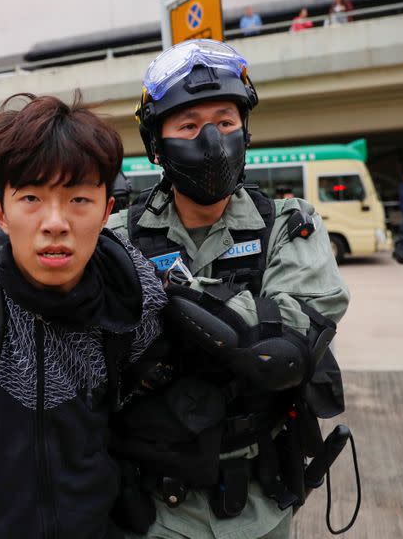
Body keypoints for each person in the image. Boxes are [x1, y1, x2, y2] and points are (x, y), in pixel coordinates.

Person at [106, 39, 351, 538]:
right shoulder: (115, 237)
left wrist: (169, 298)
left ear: (245, 129)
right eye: (189, 126)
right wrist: (233, 318)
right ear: (157, 142)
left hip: (258, 505)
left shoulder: (289, 222)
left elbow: (282, 349)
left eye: (225, 121)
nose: (212, 139)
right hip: (149, 507)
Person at [0, 92, 167, 539]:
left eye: (79, 200)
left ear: (108, 209)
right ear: (1, 214)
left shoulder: (135, 315)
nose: (55, 222)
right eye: (31, 197)